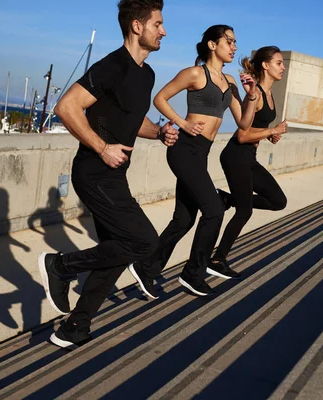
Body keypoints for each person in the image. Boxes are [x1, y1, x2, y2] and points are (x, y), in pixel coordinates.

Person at [37, 0, 178, 349]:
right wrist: (102, 147)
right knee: (143, 241)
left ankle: (75, 326)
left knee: (118, 248)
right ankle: (61, 265)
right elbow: (66, 107)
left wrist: (158, 132)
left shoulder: (146, 74)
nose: (164, 31)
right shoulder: (112, 66)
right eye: (157, 24)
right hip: (93, 171)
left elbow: (132, 120)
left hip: (114, 175)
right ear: (136, 26)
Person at [129, 24, 258, 297]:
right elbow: (160, 98)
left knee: (183, 219)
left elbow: (244, 123)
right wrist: (181, 124)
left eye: (235, 42)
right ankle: (193, 273)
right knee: (214, 210)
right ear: (212, 45)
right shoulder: (195, 74)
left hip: (201, 153)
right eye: (229, 42)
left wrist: (252, 96)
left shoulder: (231, 82)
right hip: (184, 149)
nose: (234, 47)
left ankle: (146, 268)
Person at [212, 46, 288, 274]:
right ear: (265, 66)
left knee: (278, 201)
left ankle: (227, 199)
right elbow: (243, 134)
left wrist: (270, 134)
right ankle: (217, 260)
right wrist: (271, 130)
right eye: (278, 63)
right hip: (236, 155)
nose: (283, 67)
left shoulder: (270, 94)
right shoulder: (255, 95)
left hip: (248, 157)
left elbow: (257, 129)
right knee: (245, 211)